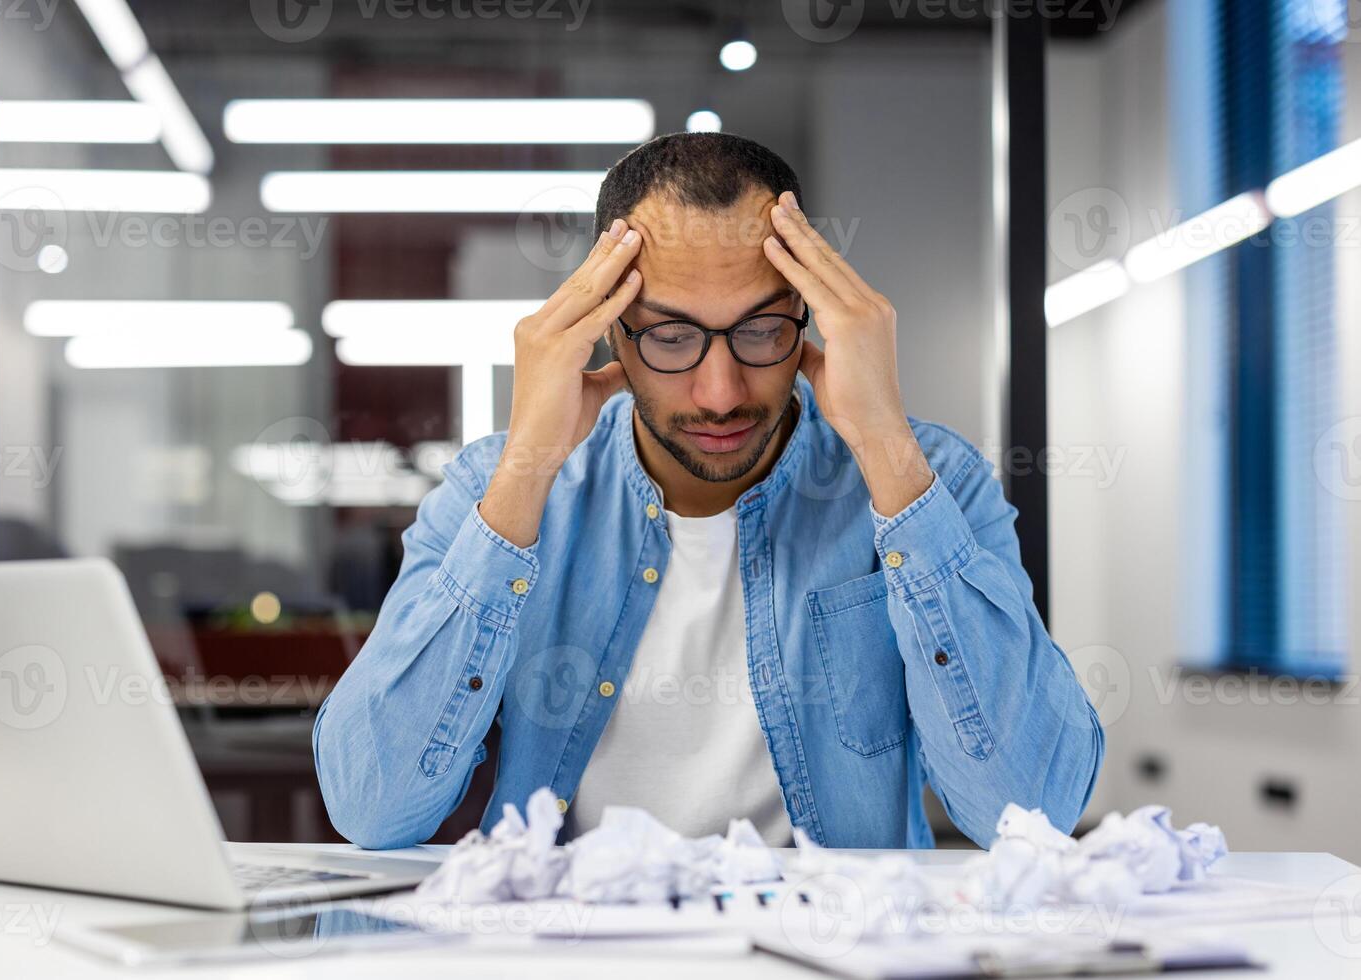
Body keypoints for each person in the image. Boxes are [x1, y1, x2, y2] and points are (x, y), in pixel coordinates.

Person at [313, 132, 1103, 850]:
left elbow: (1031, 810)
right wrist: (526, 469)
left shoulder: (930, 481)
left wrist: (884, 446)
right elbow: (375, 806)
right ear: (610, 330)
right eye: (671, 336)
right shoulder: (501, 487)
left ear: (811, 314)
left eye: (762, 331)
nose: (720, 392)